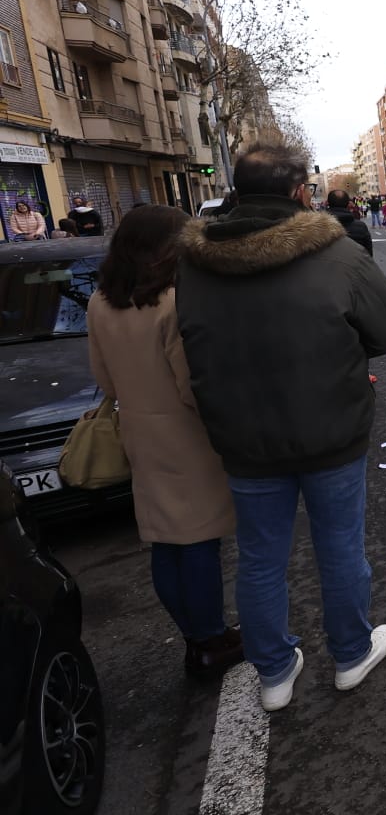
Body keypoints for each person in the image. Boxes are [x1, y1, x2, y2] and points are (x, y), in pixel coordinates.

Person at [176, 145, 386, 712]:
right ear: (300, 192)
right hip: (331, 430)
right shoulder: (336, 254)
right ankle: (351, 655)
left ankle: (275, 673)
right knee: (340, 548)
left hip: (244, 438)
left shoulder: (195, 263)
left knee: (259, 559)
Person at [85, 205, 242, 678]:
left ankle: (195, 638)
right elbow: (191, 384)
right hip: (185, 438)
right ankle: (213, 639)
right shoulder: (174, 303)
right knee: (198, 542)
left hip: (139, 432)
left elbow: (104, 380)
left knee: (165, 542)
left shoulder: (100, 303)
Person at [325, 189, 374, 257]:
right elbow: (368, 254)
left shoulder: (318, 227)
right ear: (348, 204)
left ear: (327, 203)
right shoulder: (361, 227)